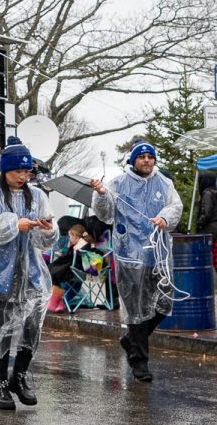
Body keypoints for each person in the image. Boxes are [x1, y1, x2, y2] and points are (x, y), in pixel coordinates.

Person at [0, 136, 58, 411]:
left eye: (27, 170)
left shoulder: (39, 196)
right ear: (4, 170)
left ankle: (18, 377)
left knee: (32, 328)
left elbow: (49, 239)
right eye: (17, 170)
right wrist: (12, 224)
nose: (23, 176)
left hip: (30, 273)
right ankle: (0, 387)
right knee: (2, 332)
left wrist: (47, 229)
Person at [90, 140, 182, 383]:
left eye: (150, 157)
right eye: (142, 157)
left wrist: (164, 217)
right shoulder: (118, 183)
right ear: (133, 160)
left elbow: (175, 206)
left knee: (164, 302)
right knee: (136, 310)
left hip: (158, 255)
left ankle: (130, 340)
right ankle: (139, 362)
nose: (147, 161)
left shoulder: (164, 182)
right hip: (129, 255)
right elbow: (105, 213)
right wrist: (101, 194)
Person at [47, 224, 97, 313]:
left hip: (75, 269)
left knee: (54, 272)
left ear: (76, 236)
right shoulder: (78, 243)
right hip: (70, 267)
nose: (69, 239)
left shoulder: (83, 244)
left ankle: (58, 302)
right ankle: (59, 302)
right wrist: (69, 247)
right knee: (51, 271)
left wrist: (72, 248)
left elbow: (78, 258)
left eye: (70, 237)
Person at [196, 182, 217, 271]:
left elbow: (206, 213)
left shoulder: (208, 193)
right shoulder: (215, 193)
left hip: (210, 231)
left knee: (209, 259)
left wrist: (199, 223)